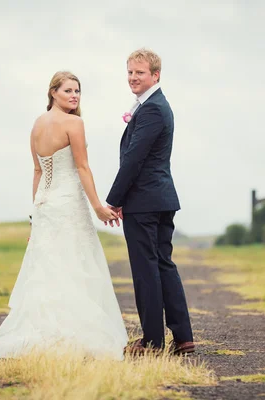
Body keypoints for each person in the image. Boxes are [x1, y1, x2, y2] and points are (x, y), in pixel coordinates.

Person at [0, 71, 128, 361]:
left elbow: (39, 171)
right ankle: (74, 334)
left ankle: (44, 332)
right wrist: (98, 207)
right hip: (67, 203)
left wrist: (35, 214)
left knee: (48, 267)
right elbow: (82, 168)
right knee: (74, 264)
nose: (74, 95)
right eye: (68, 90)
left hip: (45, 204)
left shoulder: (38, 124)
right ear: (53, 92)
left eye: (78, 91)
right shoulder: (74, 123)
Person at [106, 48, 195, 355]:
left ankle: (153, 343)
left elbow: (134, 160)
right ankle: (183, 338)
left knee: (147, 271)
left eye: (140, 72)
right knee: (163, 266)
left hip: (145, 202)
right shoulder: (153, 105)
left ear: (155, 75)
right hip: (158, 199)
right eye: (130, 72)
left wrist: (114, 199)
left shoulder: (154, 108)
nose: (133, 77)